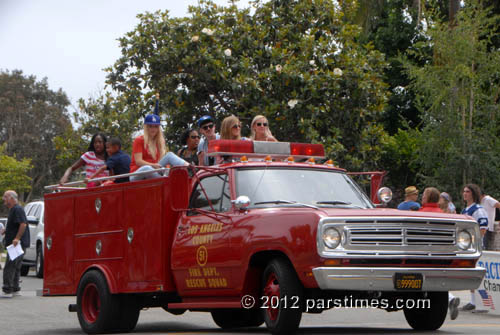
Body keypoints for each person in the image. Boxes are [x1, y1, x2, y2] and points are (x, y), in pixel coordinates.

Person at [418, 187, 460, 320]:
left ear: (428, 198)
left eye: (424, 194)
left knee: (426, 281)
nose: (422, 196)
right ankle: (449, 299)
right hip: (442, 253)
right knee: (437, 279)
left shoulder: (420, 214)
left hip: (423, 254)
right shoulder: (443, 215)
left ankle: (449, 299)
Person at [130, 113, 188, 181]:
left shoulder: (160, 141)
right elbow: (138, 161)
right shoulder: (139, 140)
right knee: (147, 168)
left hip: (154, 171)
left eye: (155, 126)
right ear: (146, 127)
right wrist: (153, 165)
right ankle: (168, 180)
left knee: (169, 155)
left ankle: (190, 168)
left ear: (158, 128)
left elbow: (162, 163)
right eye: (150, 126)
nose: (153, 129)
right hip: (137, 173)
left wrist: (164, 169)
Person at [461, 183, 488, 311]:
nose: (465, 194)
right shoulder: (465, 210)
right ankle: (473, 301)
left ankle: (480, 302)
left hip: (475, 247)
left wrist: (475, 242)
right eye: (464, 191)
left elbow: (483, 228)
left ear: (473, 194)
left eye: (468, 192)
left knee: (476, 273)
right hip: (467, 247)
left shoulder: (477, 209)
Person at [1, 191, 30, 298]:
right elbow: (16, 224)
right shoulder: (14, 209)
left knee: (10, 265)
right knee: (16, 266)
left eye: (5, 197)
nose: (4, 199)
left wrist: (17, 238)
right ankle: (15, 288)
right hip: (16, 243)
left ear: (11, 198)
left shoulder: (17, 209)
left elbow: (23, 224)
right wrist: (6, 230)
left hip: (17, 244)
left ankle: (7, 290)